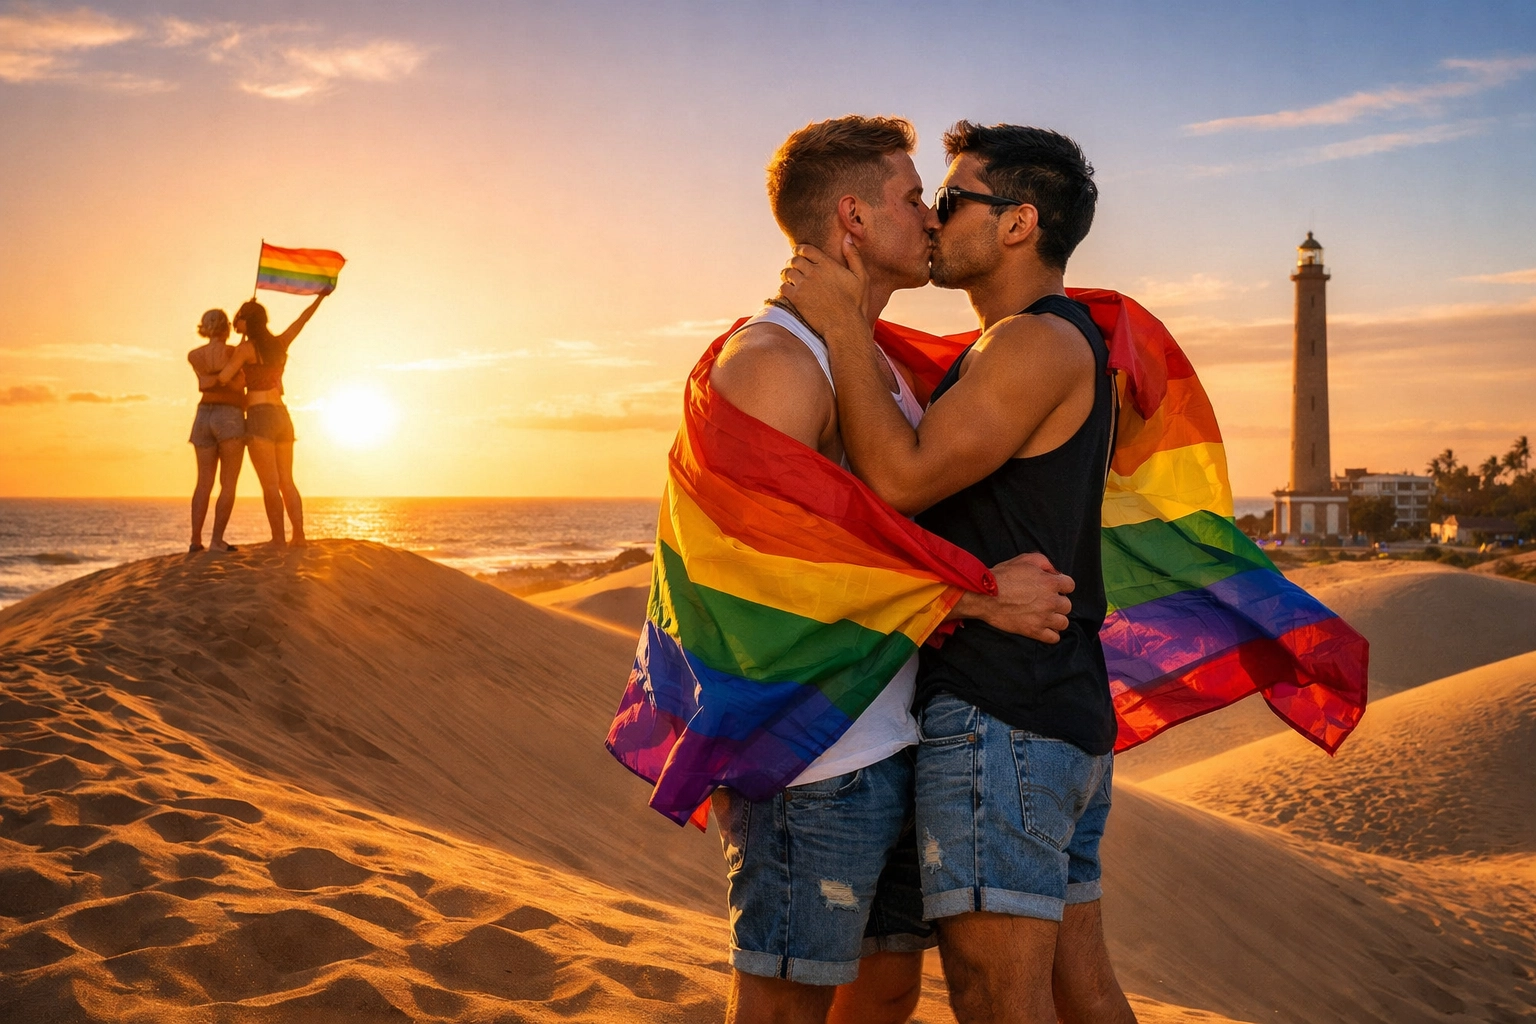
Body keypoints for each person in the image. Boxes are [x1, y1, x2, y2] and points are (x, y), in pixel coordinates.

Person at [708, 115, 1077, 1024]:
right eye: (917, 199)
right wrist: (972, 598)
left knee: (886, 996)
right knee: (785, 1007)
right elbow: (759, 573)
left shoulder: (868, 363)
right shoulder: (774, 365)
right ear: (854, 218)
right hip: (812, 756)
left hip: (893, 737)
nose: (933, 218)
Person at [779, 122, 1136, 1024]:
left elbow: (899, 481)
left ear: (1018, 224)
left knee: (994, 997)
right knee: (1083, 991)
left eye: (952, 199)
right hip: (1053, 713)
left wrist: (838, 325)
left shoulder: (1033, 344)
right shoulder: (1024, 345)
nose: (935, 220)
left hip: (1005, 717)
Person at [212, 293, 326, 546]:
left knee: (270, 484)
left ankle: (278, 539)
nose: (235, 323)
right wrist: (320, 298)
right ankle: (299, 535)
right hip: (282, 415)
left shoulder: (244, 349)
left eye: (238, 318)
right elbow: (302, 320)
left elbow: (223, 378)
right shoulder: (280, 343)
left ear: (247, 321)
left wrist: (235, 379)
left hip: (259, 415)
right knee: (287, 480)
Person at [186, 308, 245, 553]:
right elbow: (238, 383)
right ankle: (217, 541)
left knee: (203, 483)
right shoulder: (233, 352)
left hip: (203, 416)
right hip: (228, 414)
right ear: (227, 327)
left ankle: (195, 540)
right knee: (228, 483)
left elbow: (204, 382)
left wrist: (212, 380)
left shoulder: (194, 355)